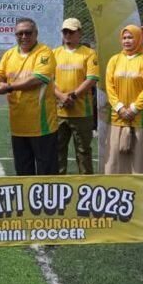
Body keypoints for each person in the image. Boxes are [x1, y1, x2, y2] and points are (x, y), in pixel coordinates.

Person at [0, 17, 59, 176]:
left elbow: (38, 79)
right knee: (23, 173)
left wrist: (9, 87)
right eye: (19, 33)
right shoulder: (9, 54)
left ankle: (48, 201)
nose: (24, 37)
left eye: (28, 33)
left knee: (47, 174)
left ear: (36, 33)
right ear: (15, 35)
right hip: (18, 125)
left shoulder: (45, 52)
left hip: (42, 125)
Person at [103, 25, 143, 174]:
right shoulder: (114, 60)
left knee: (141, 160)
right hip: (117, 117)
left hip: (141, 118)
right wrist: (120, 107)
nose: (127, 41)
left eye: (131, 37)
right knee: (115, 159)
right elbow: (109, 86)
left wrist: (134, 109)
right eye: (124, 38)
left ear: (139, 39)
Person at [53, 18, 99, 175]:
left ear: (79, 32)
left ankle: (86, 185)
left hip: (82, 112)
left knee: (83, 151)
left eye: (71, 31)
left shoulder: (89, 53)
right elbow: (48, 80)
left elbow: (92, 79)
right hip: (58, 112)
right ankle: (59, 185)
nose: (67, 34)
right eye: (65, 31)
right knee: (57, 152)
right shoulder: (54, 53)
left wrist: (72, 96)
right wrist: (61, 96)